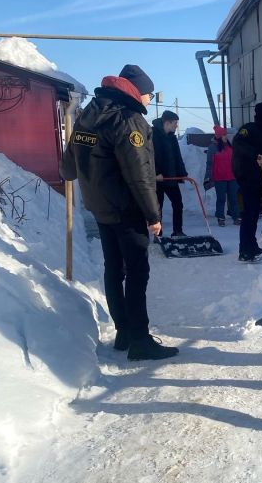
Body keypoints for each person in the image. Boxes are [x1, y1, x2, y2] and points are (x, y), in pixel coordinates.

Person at [59, 64, 179, 362]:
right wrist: (153, 215)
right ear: (137, 92)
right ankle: (140, 340)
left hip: (101, 210)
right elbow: (139, 175)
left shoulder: (87, 116)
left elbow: (67, 168)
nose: (150, 101)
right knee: (138, 272)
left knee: (114, 269)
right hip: (127, 210)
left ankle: (124, 332)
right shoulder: (128, 120)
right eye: (149, 95)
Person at [231, 101, 262, 261]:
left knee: (254, 215)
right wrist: (255, 155)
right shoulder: (248, 129)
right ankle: (245, 250)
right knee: (249, 215)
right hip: (249, 179)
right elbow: (238, 144)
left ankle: (251, 246)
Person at [152, 109, 187, 237]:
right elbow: (149, 157)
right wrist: (156, 173)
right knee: (157, 208)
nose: (177, 126)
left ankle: (178, 231)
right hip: (158, 179)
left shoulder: (172, 138)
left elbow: (177, 156)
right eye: (175, 123)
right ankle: (158, 234)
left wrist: (182, 172)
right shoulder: (153, 135)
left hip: (171, 178)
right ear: (167, 123)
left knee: (178, 203)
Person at [204, 125, 240, 226]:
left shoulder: (229, 147)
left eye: (226, 134)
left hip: (232, 177)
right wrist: (207, 177)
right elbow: (209, 164)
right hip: (220, 178)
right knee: (221, 199)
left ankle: (236, 217)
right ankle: (220, 217)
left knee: (233, 198)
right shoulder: (212, 148)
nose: (226, 136)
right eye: (224, 135)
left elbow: (235, 161)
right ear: (219, 136)